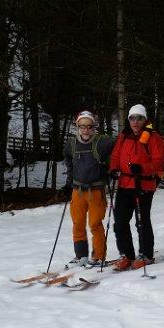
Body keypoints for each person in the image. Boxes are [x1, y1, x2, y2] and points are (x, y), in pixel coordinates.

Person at [108, 104, 164, 270]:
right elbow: (115, 155)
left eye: (139, 118)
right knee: (120, 222)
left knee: (141, 221)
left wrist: (142, 168)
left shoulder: (153, 137)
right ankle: (126, 255)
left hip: (144, 184)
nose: (135, 121)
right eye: (132, 118)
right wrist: (113, 169)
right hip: (124, 184)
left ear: (144, 119)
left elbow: (159, 162)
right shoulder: (124, 135)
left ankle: (146, 254)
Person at [64, 110, 116, 267]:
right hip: (77, 190)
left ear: (94, 127)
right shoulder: (71, 144)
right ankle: (81, 256)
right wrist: (68, 183)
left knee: (95, 224)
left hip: (96, 190)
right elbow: (69, 164)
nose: (86, 130)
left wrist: (111, 168)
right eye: (82, 126)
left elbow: (119, 149)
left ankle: (99, 256)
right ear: (77, 127)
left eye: (89, 126)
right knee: (78, 223)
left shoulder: (103, 142)